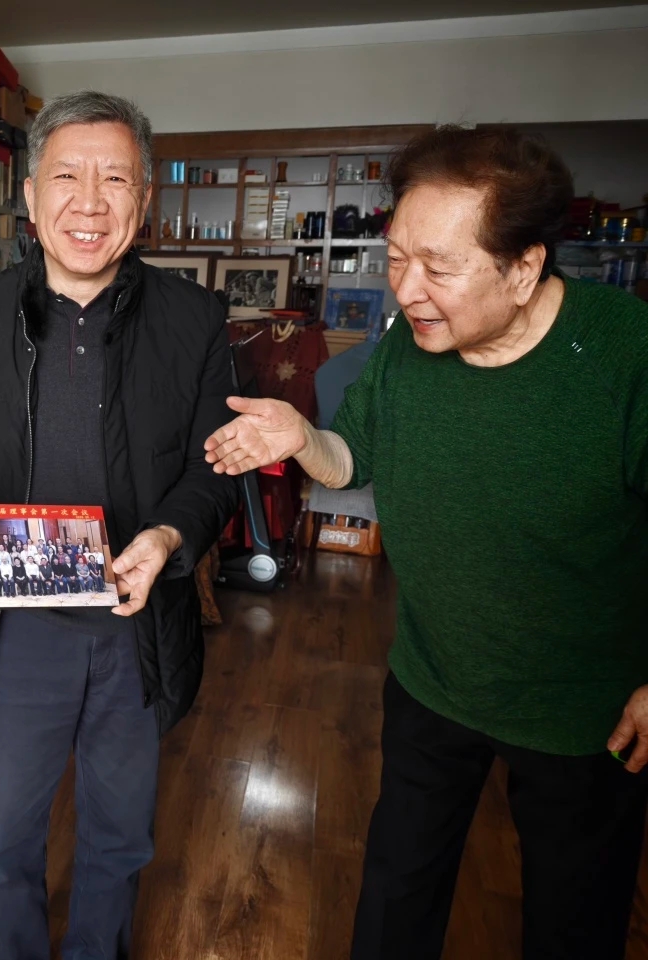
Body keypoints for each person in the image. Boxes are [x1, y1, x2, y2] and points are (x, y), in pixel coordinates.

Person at [206, 124, 648, 960]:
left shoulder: (625, 355)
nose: (408, 290)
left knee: (574, 922)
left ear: (524, 268)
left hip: (584, 711)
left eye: (439, 268)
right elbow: (350, 458)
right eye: (397, 258)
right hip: (432, 676)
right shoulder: (409, 347)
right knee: (396, 892)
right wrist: (302, 437)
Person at [0, 92, 237, 960]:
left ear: (145, 199)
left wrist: (167, 539)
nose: (90, 203)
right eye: (67, 177)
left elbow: (213, 467)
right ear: (28, 194)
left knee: (120, 841)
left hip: (135, 625)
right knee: (6, 843)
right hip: (14, 629)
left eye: (115, 179)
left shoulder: (194, 320)